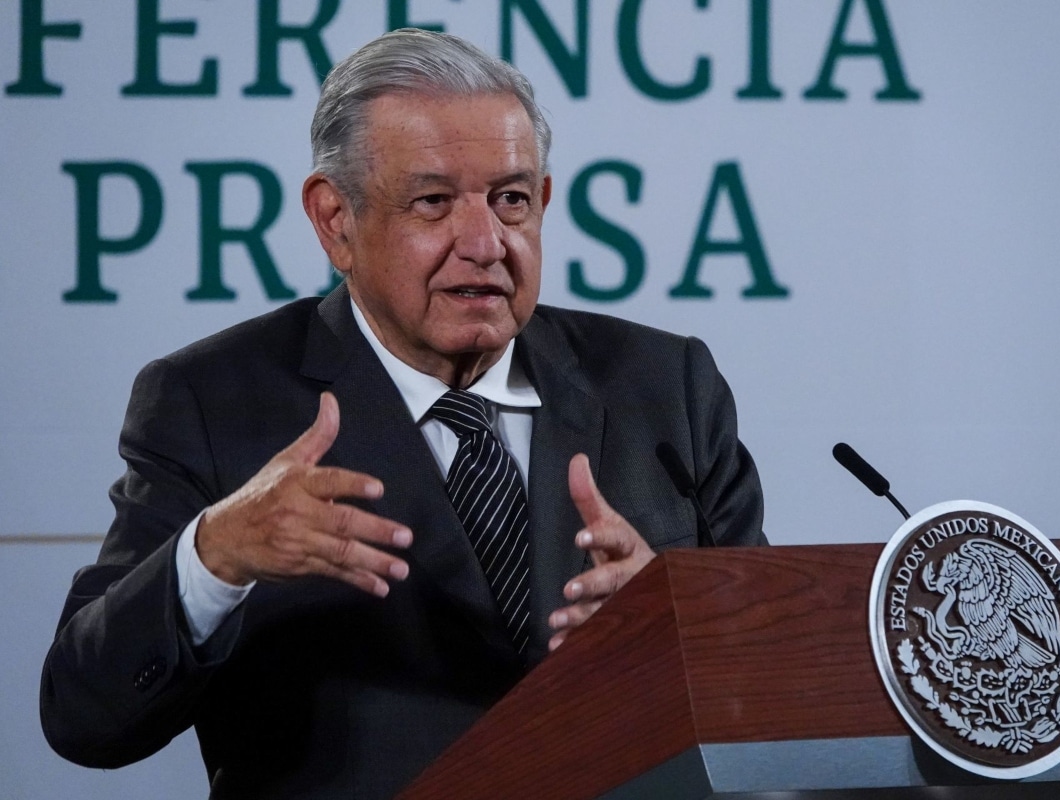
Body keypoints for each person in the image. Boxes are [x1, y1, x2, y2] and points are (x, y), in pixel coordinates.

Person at [40, 28, 767, 800]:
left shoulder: (664, 385)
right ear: (335, 220)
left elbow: (776, 683)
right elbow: (83, 716)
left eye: (511, 199)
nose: (485, 242)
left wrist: (677, 632)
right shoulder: (214, 403)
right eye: (433, 202)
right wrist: (213, 557)